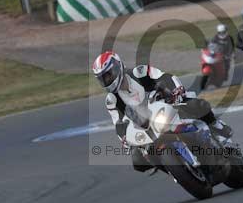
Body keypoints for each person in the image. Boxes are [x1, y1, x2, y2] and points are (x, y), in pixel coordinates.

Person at [92, 51, 232, 172]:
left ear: (118, 66)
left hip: (167, 101)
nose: (107, 79)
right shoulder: (111, 100)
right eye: (103, 78)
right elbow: (118, 123)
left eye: (109, 75)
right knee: (137, 160)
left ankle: (216, 126)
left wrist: (176, 90)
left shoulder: (138, 72)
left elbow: (165, 77)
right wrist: (124, 139)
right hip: (145, 125)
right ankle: (172, 169)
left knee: (197, 104)